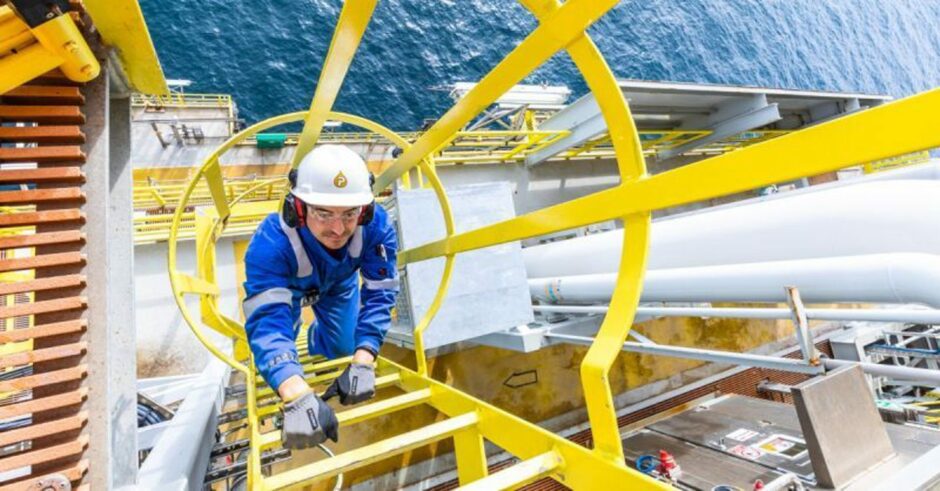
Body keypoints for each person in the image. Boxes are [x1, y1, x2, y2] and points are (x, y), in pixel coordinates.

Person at [241, 144, 399, 449]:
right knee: (283, 335)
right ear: (298, 209)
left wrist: (365, 357)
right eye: (323, 213)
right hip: (288, 294)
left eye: (350, 213)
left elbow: (380, 291)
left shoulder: (376, 227)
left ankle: (316, 339)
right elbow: (267, 320)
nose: (338, 229)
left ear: (364, 211)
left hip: (339, 285)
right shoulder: (269, 244)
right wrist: (295, 392)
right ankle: (294, 340)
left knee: (344, 346)